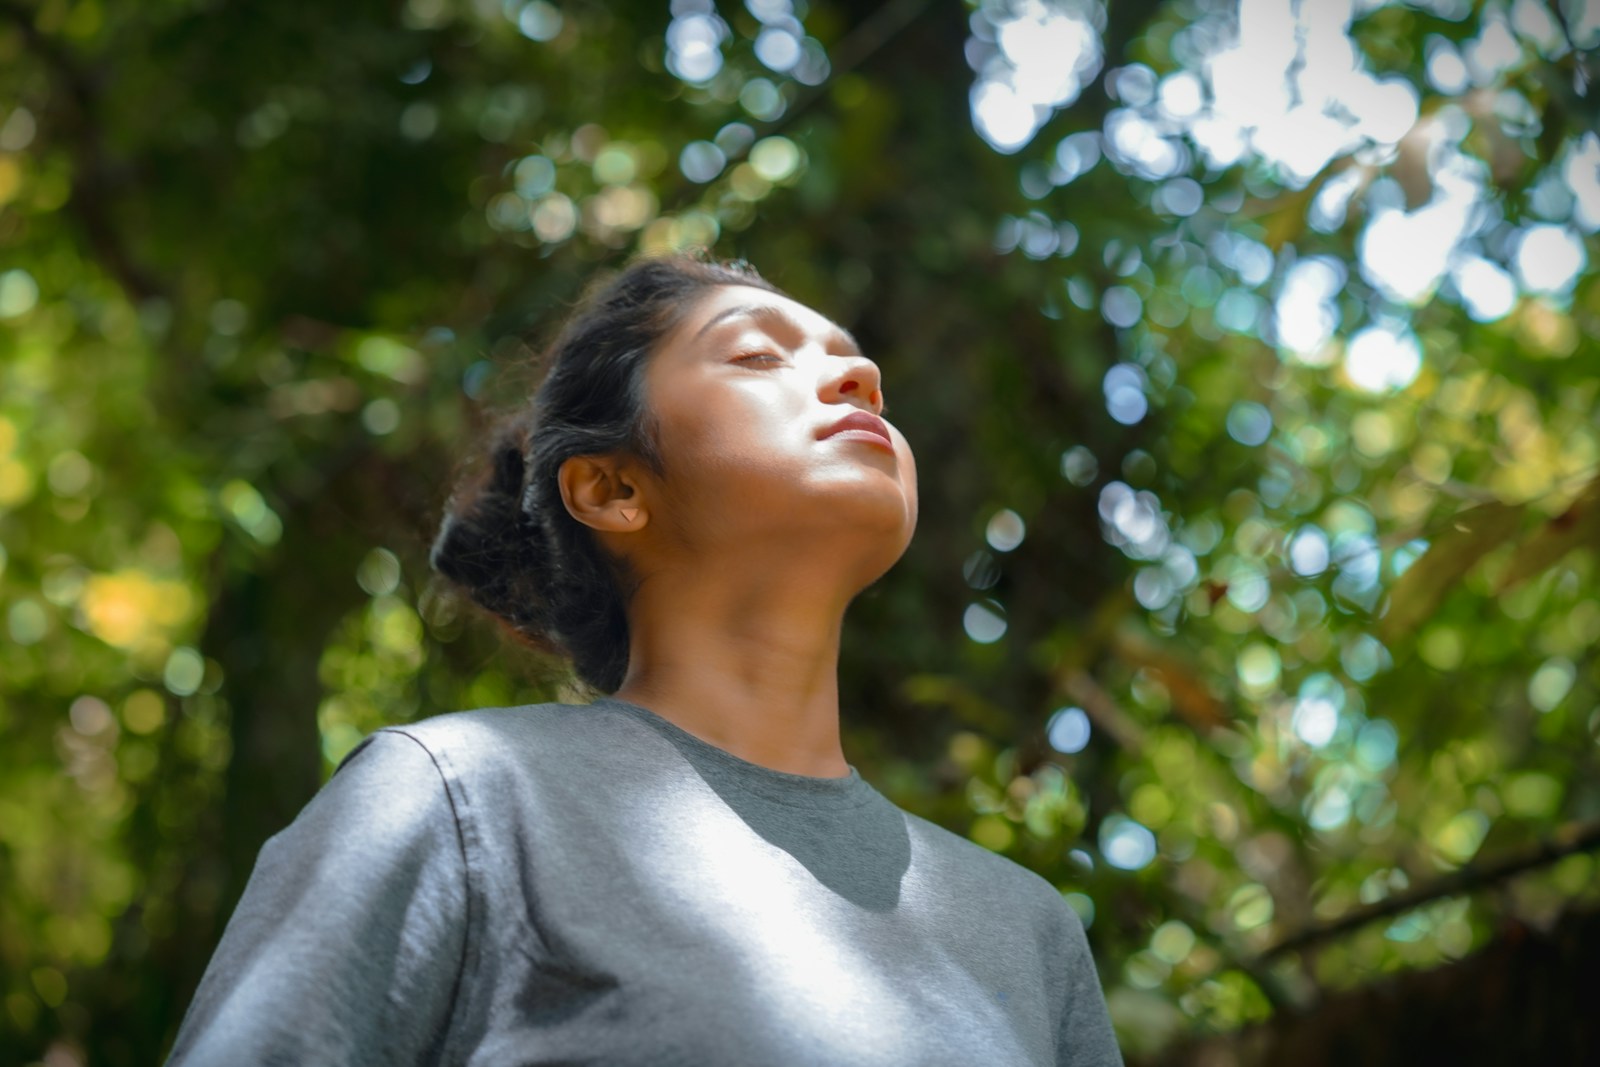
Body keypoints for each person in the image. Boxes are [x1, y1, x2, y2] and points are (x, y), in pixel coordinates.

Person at [164, 253, 1124, 1066]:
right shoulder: (458, 801)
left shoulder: (1025, 931)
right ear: (615, 487)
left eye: (856, 362)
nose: (860, 375)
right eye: (757, 354)